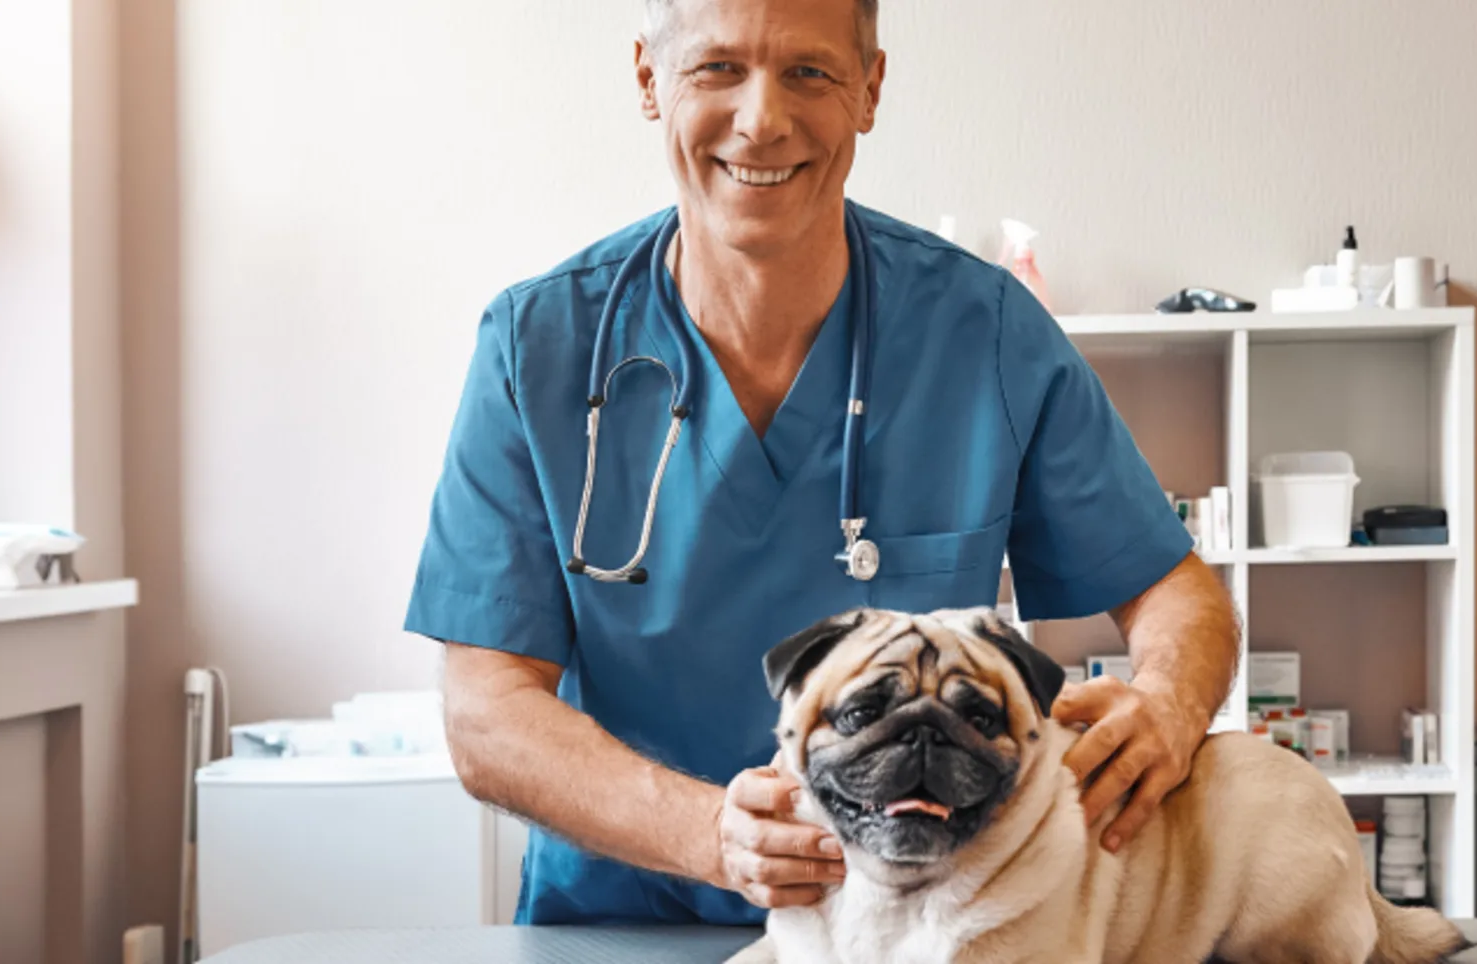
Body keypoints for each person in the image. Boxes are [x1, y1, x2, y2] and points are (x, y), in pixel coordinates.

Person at [404, 0, 1240, 927]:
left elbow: (1177, 590)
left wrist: (1166, 702)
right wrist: (710, 834)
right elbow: (486, 713)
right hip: (621, 927)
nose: (762, 120)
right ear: (649, 80)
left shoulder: (988, 336)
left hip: (920, 933)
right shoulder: (538, 346)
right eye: (717, 69)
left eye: (808, 72)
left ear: (869, 88)